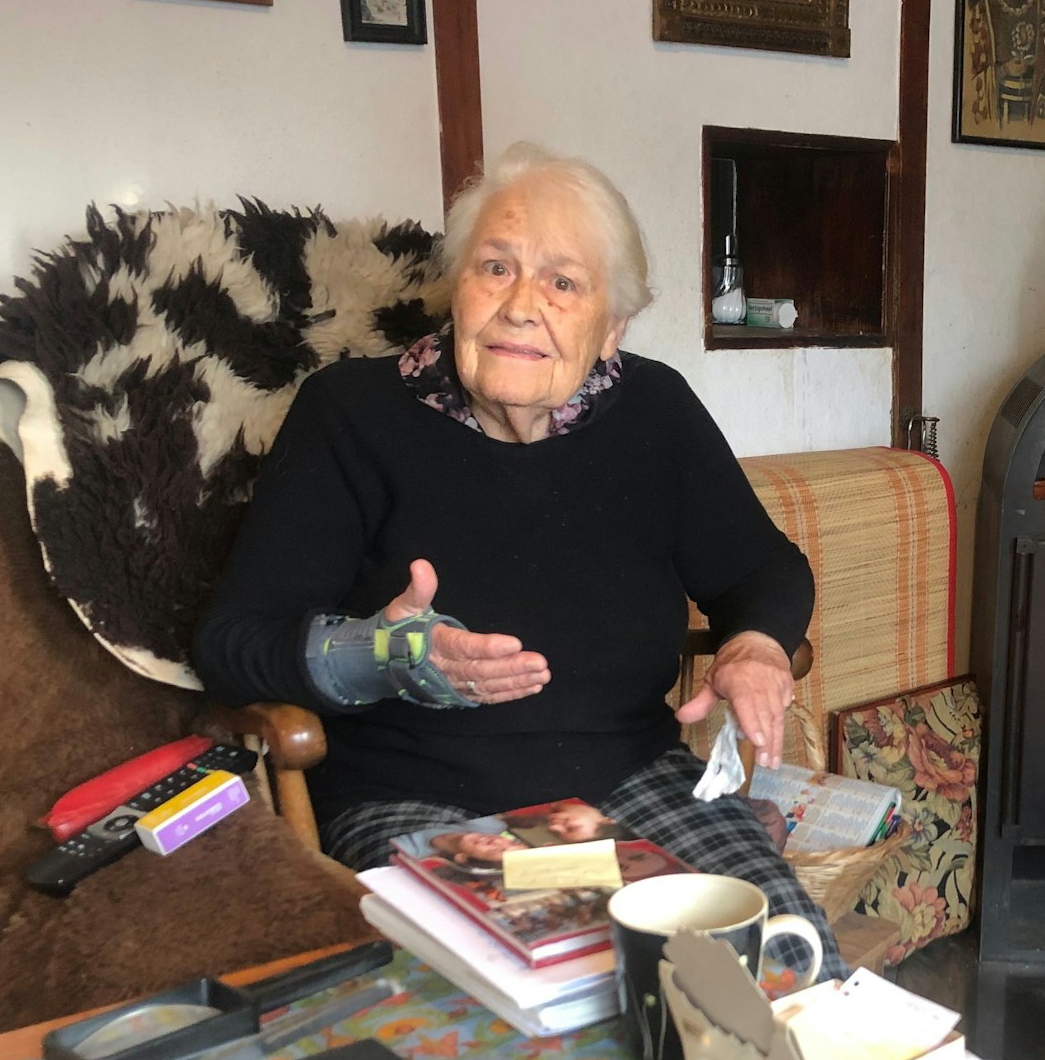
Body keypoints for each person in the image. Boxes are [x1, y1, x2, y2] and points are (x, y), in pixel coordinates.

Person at [193, 143, 846, 980]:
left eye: (563, 282)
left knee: (786, 966)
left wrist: (756, 643)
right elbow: (232, 640)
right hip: (413, 794)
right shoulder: (349, 414)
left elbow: (763, 567)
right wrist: (387, 653)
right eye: (495, 268)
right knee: (517, 1008)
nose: (521, 306)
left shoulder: (654, 412)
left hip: (633, 780)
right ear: (456, 291)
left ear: (613, 326)